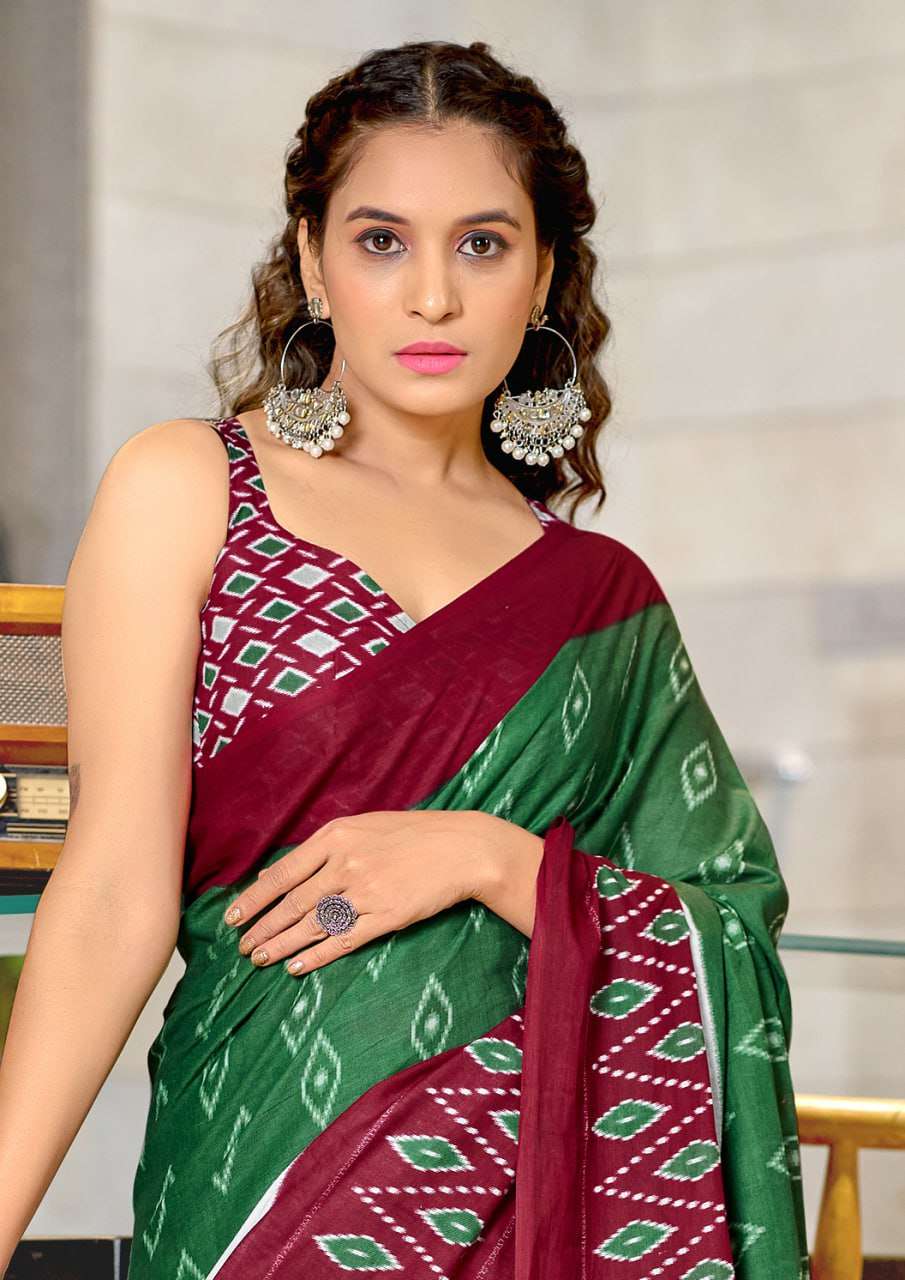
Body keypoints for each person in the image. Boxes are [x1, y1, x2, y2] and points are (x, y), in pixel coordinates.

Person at [0, 39, 810, 1280]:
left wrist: (493, 859)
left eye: (480, 244)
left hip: (529, 1209)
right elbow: (112, 894)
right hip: (259, 1167)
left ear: (542, 275)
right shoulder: (193, 485)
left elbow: (728, 919)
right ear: (313, 261)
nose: (432, 296)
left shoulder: (601, 600)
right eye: (381, 241)